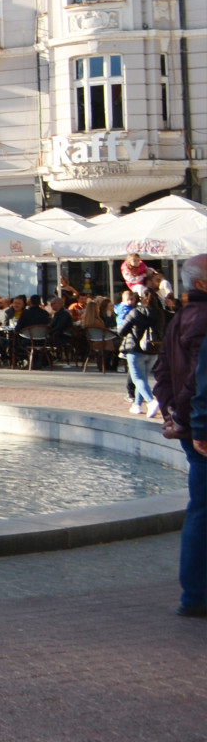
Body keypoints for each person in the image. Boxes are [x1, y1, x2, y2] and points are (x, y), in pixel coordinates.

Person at [152, 253, 207, 618]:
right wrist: (190, 418)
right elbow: (200, 380)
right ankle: (195, 596)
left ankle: (194, 594)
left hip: (193, 426)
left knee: (200, 508)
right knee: (202, 510)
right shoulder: (202, 319)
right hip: (201, 427)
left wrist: (173, 411)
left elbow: (163, 372)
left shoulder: (181, 318)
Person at [119, 290, 164, 417]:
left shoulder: (135, 312)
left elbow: (121, 331)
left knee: (137, 378)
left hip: (135, 349)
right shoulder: (160, 314)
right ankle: (137, 405)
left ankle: (150, 401)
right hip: (153, 349)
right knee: (143, 378)